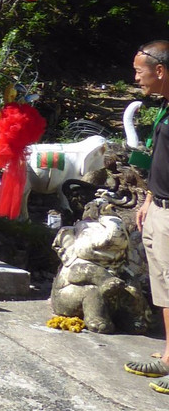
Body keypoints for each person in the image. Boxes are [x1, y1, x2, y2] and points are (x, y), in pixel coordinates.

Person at [125, 40, 169, 395]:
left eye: (140, 70)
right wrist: (149, 199)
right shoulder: (165, 107)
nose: (135, 76)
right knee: (165, 288)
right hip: (159, 206)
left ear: (160, 70)